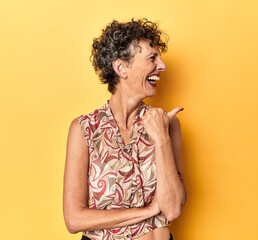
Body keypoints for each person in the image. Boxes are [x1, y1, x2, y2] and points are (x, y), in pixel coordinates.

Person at [63, 18, 187, 240]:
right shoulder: (84, 129)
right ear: (121, 68)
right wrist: (147, 212)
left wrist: (161, 139)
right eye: (152, 58)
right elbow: (74, 219)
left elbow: (173, 209)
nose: (162, 66)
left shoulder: (167, 123)